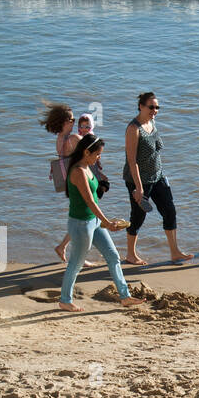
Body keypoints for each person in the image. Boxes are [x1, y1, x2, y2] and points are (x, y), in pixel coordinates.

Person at [59, 135, 137, 314]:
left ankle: (124, 297)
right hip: (81, 224)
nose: (99, 157)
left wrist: (104, 221)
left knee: (113, 256)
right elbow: (89, 202)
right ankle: (65, 300)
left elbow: (95, 197)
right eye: (97, 154)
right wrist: (107, 222)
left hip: (93, 222)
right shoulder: (78, 171)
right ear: (86, 152)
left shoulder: (87, 166)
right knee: (76, 264)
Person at [123, 92, 193, 267]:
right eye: (151, 107)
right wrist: (138, 188)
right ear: (141, 106)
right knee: (138, 216)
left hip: (158, 176)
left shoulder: (151, 122)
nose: (154, 110)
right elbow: (132, 161)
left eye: (157, 107)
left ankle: (175, 252)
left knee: (170, 211)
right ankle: (130, 255)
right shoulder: (133, 128)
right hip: (138, 180)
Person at [40, 102, 88, 265]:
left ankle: (65, 248)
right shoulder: (74, 139)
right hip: (80, 182)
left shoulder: (60, 139)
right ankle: (72, 252)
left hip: (70, 183)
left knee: (81, 218)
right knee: (84, 218)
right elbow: (91, 151)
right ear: (64, 122)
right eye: (72, 120)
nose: (74, 123)